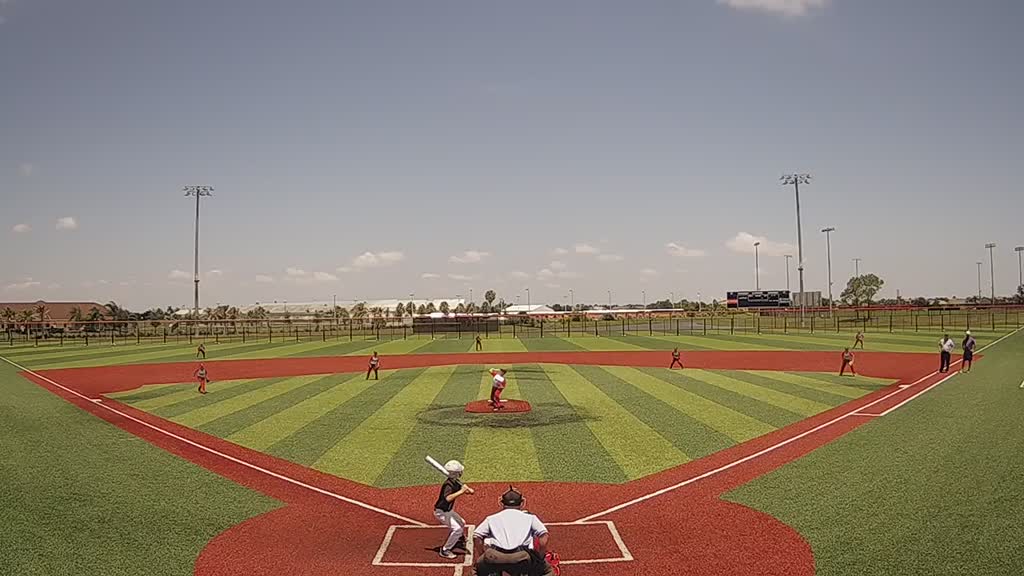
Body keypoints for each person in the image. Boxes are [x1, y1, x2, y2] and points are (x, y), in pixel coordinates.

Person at [474, 486, 556, 576]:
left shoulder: (491, 518)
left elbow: (476, 536)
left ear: (501, 503)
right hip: (522, 557)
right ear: (522, 503)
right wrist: (540, 557)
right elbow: (544, 536)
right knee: (548, 571)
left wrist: (482, 554)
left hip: (495, 557)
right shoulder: (531, 518)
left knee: (476, 570)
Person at [434, 460, 474, 559]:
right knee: (457, 529)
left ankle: (458, 540)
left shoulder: (455, 481)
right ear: (455, 473)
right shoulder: (448, 484)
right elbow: (448, 498)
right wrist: (462, 491)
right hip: (441, 512)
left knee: (462, 523)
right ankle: (445, 550)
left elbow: (467, 491)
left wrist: (468, 490)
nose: (461, 472)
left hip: (448, 511)